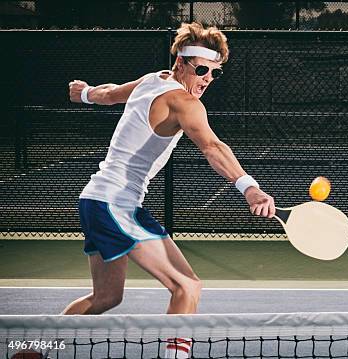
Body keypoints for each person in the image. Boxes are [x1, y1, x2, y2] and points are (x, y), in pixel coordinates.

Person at [63, 22, 275, 358]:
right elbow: (213, 147)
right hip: (115, 203)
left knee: (106, 297)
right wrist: (250, 188)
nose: (206, 79)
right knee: (187, 286)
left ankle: (32, 347)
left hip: (96, 199)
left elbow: (110, 93)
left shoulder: (154, 78)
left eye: (214, 74)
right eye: (202, 70)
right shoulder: (184, 103)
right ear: (180, 63)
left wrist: (85, 93)